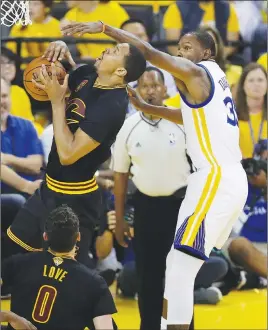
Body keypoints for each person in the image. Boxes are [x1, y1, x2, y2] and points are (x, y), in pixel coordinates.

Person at [61, 22, 248, 329]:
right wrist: (148, 107)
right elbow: (189, 116)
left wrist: (104, 28)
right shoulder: (217, 79)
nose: (181, 53)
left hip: (215, 177)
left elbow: (147, 52)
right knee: (175, 265)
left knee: (180, 270)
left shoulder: (198, 71)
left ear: (207, 52)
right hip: (216, 179)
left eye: (187, 48)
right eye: (179, 48)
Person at [5, 40, 146, 267]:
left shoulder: (112, 107)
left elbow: (68, 154)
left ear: (121, 71)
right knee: (11, 252)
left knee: (66, 272)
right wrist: (58, 53)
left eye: (115, 51)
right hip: (49, 187)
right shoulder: (89, 74)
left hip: (75, 200)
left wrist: (57, 102)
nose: (107, 49)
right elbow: (63, 78)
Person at [112, 67, 191, 330]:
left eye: (155, 86)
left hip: (180, 207)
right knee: (149, 278)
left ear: (165, 90)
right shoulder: (128, 127)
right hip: (145, 207)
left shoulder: (182, 122)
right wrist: (121, 219)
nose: (150, 91)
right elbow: (120, 176)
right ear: (136, 91)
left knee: (180, 278)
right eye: (144, 86)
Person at [2, 205, 117, 330]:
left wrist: (9, 317)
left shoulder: (18, 263)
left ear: (45, 236)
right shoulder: (95, 283)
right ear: (78, 237)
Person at [1, 77, 44, 196]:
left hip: (32, 192)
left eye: (4, 96)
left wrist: (6, 159)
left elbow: (36, 166)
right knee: (17, 201)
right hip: (7, 195)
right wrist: (27, 186)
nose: (1, 102)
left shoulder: (26, 125)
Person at [121, 19, 178, 99]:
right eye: (129, 37)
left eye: (140, 36)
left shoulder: (163, 67)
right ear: (119, 42)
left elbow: (171, 100)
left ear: (147, 39)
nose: (135, 41)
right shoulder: (108, 69)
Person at [162, 0, 240, 58]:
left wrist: (215, 58)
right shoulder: (177, 7)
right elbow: (172, 45)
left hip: (219, 60)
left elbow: (232, 44)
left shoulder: (227, 8)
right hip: (186, 62)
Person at [62, 0, 129, 59]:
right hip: (87, 62)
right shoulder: (73, 13)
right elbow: (63, 30)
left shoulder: (115, 11)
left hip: (111, 62)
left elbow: (126, 42)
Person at [1, 47, 43, 135]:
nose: (8, 66)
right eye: (2, 63)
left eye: (11, 63)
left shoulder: (19, 91)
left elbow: (29, 121)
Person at [235, 63, 267, 159]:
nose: (256, 84)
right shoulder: (232, 116)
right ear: (243, 85)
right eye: (251, 80)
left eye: (260, 80)